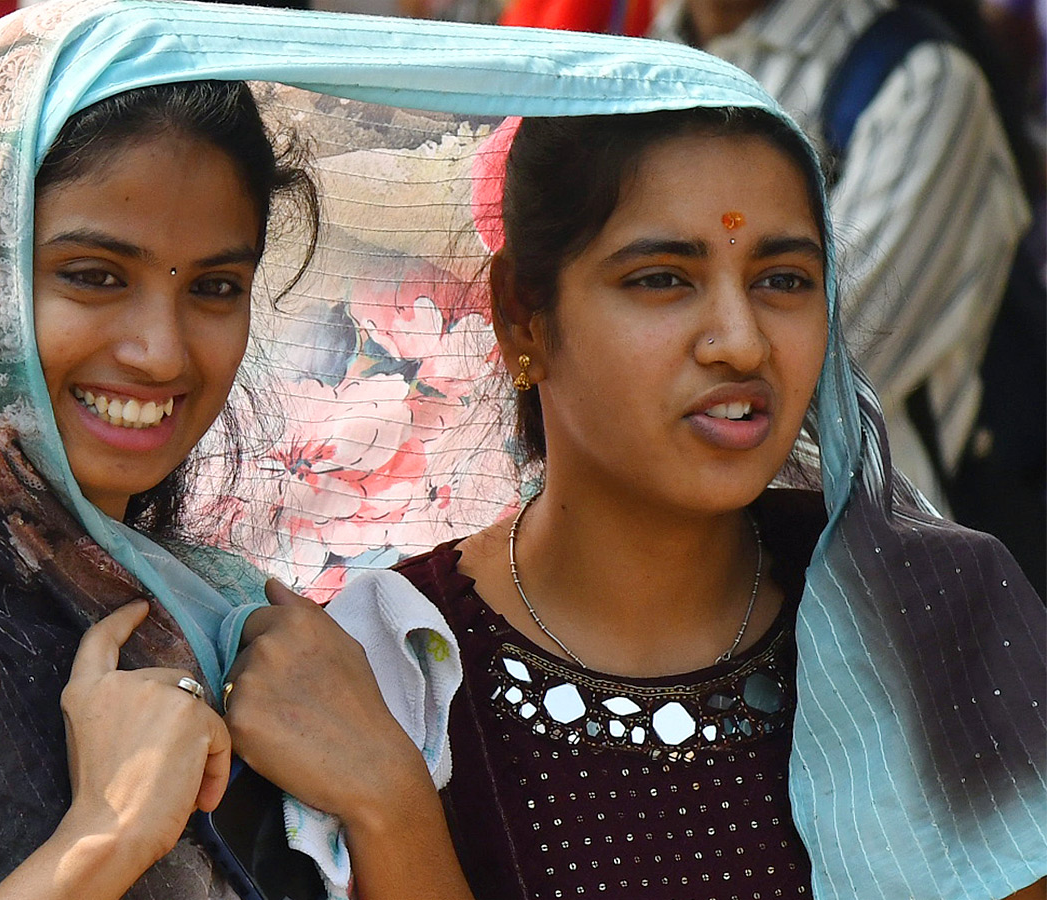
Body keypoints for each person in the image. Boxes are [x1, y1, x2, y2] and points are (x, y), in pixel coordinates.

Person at [220, 43, 1047, 900]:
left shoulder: (932, 617)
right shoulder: (391, 672)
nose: (741, 339)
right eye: (663, 279)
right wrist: (389, 804)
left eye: (784, 279)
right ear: (521, 317)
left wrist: (396, 818)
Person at [0, 5, 320, 896]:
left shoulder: (231, 622)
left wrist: (385, 796)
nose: (163, 352)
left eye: (216, 287)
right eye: (94, 276)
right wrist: (105, 837)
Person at [648, 0, 1031, 517]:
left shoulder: (919, 82)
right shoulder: (647, 58)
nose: (737, 344)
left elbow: (819, 383)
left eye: (782, 280)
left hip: (856, 555)